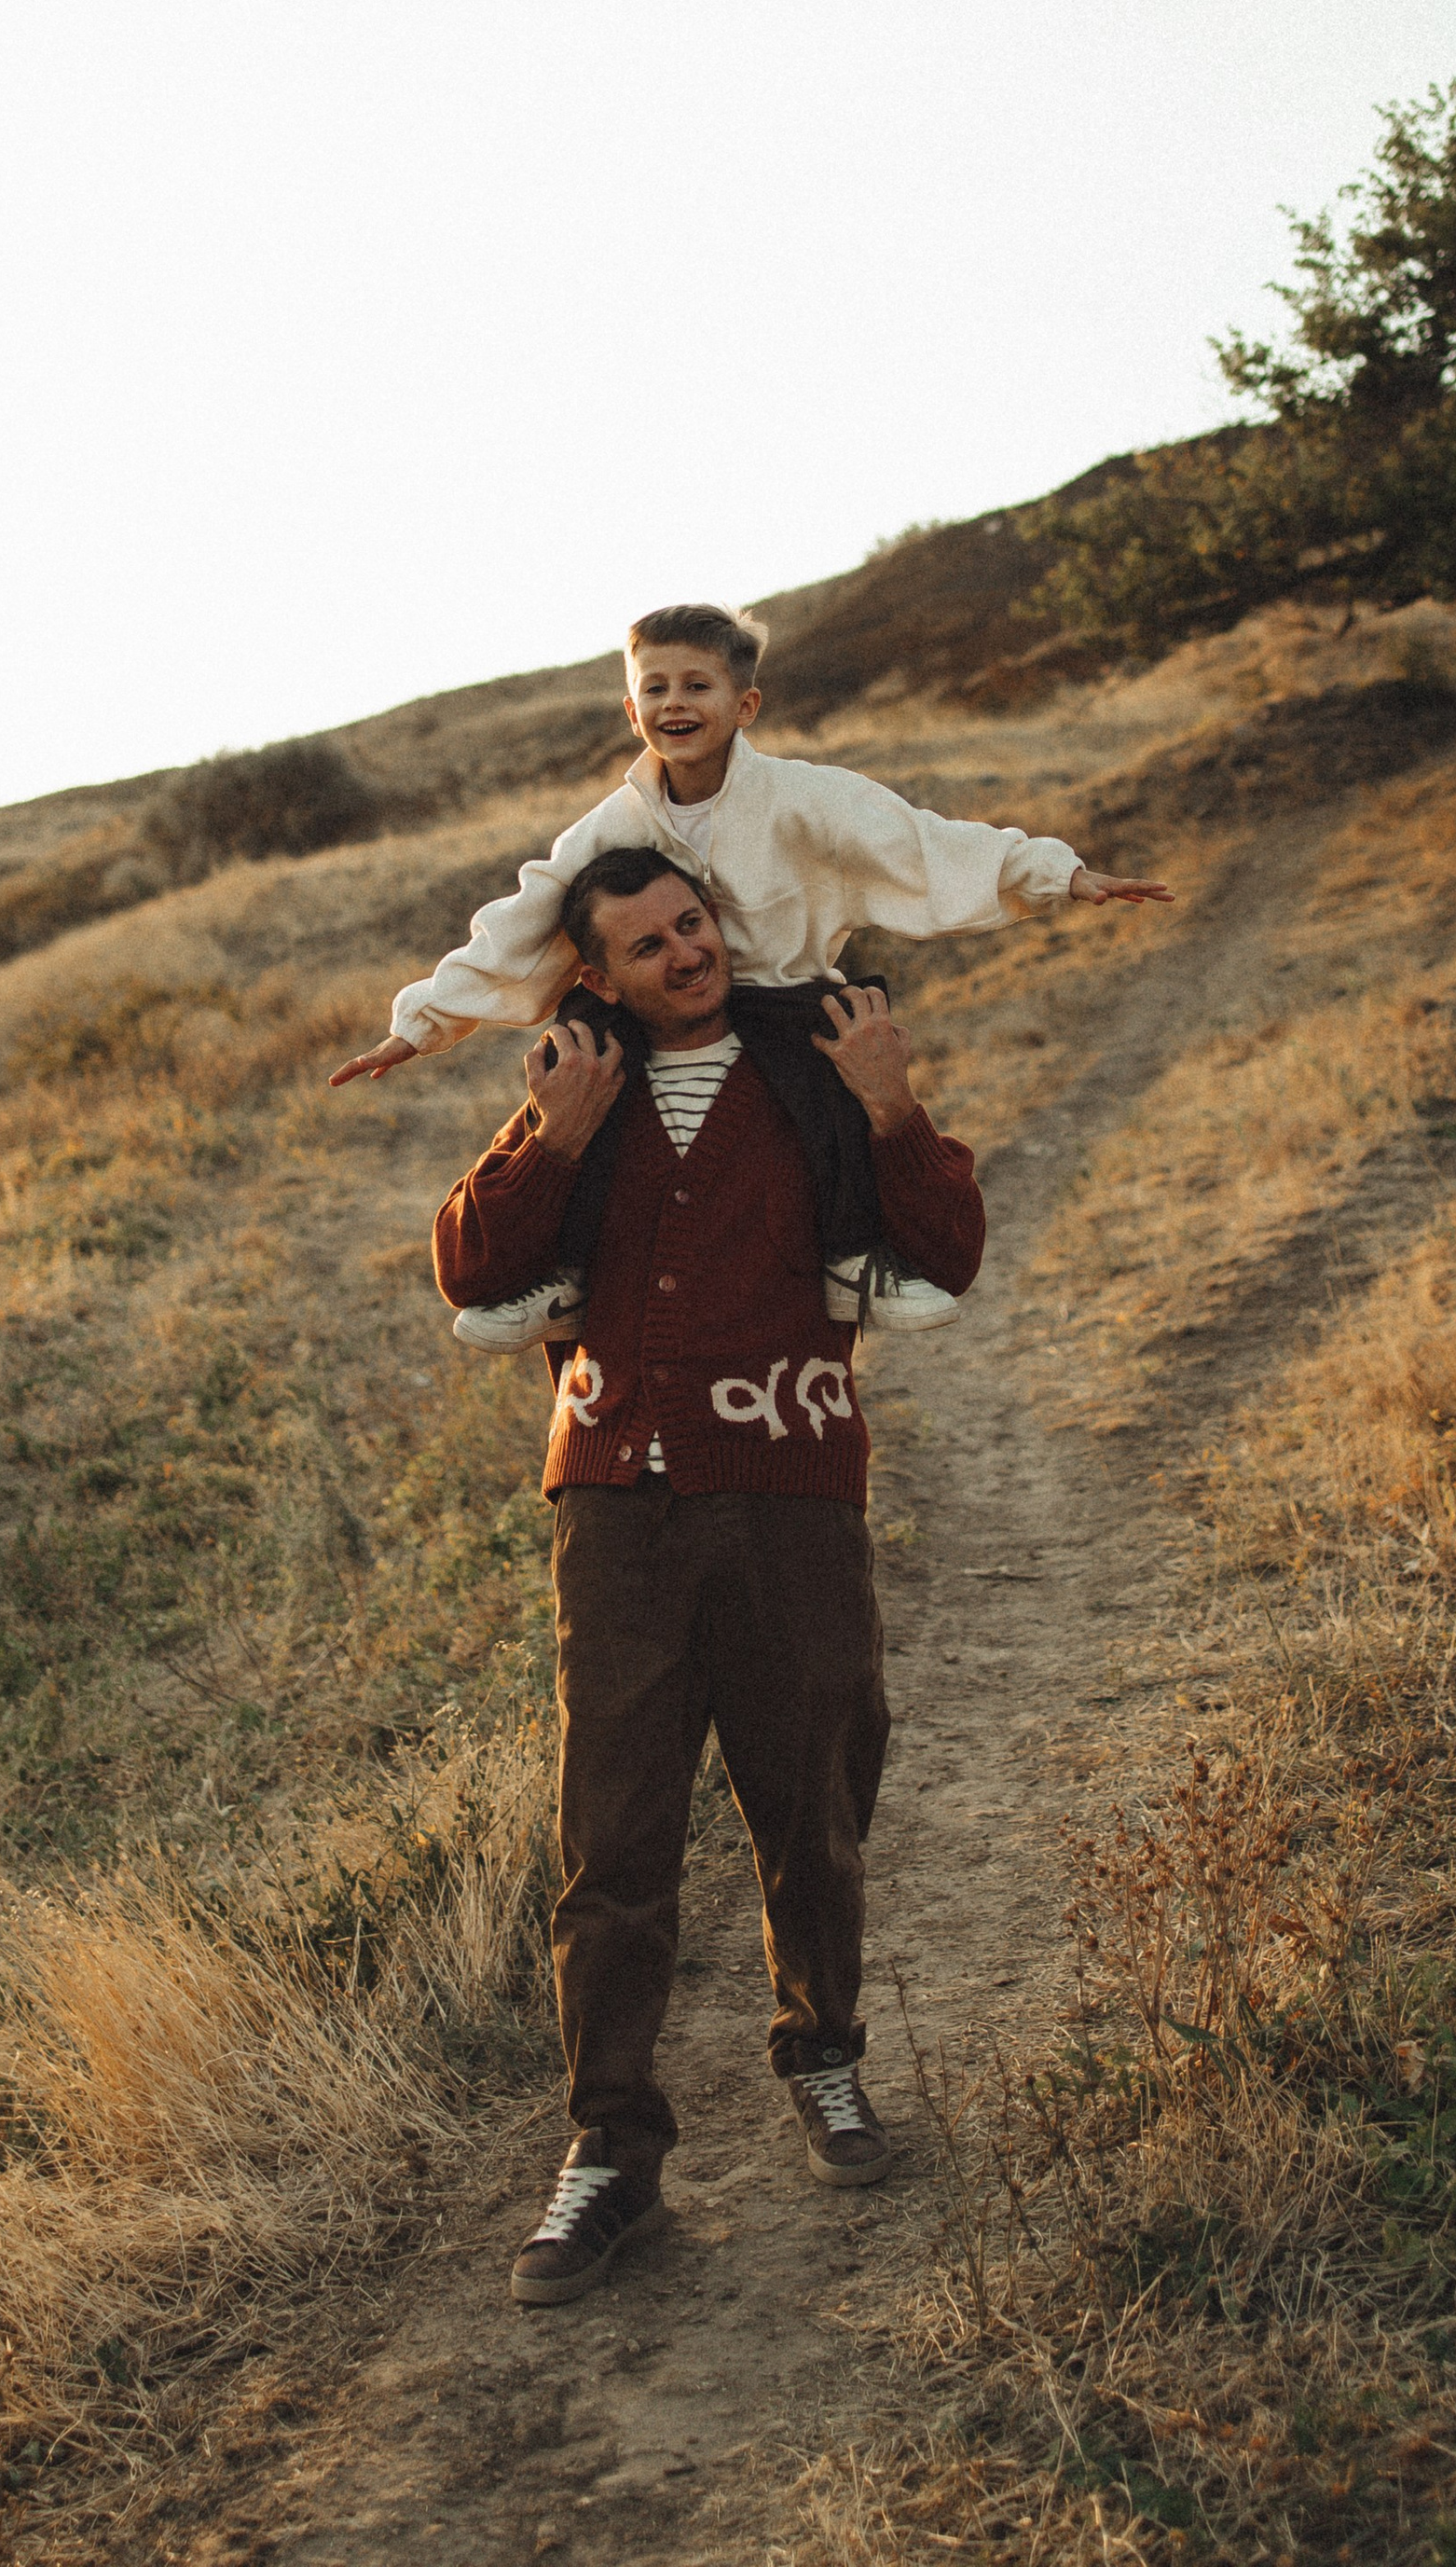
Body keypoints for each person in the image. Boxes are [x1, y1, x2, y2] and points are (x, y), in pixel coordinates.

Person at [432, 846, 983, 2307]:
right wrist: (546, 1138)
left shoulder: (810, 1065)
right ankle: (609, 2151)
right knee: (612, 1839)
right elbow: (468, 1269)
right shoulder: (581, 1087)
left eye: (694, 926)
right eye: (650, 945)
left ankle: (825, 2057)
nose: (687, 954)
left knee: (816, 1792)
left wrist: (888, 1098)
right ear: (597, 973)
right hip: (617, 1508)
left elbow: (949, 1244)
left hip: (792, 1494)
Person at [334, 600, 1165, 1344]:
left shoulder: (807, 796)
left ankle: (851, 1259)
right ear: (631, 711)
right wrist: (422, 1024)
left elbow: (919, 842)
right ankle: (561, 1277)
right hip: (654, 1003)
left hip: (783, 998)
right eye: (654, 689)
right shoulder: (618, 818)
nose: (675, 704)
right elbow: (530, 911)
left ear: (745, 704)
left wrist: (1057, 874)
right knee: (581, 1054)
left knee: (829, 1079)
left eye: (697, 686)